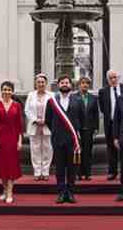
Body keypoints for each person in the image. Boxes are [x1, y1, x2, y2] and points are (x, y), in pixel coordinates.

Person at [45, 75, 84, 203]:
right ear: (58, 85)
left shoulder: (78, 100)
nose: (65, 84)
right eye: (62, 82)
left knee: (72, 168)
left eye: (67, 82)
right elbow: (48, 120)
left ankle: (71, 193)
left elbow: (82, 119)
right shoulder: (51, 101)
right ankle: (61, 192)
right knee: (60, 168)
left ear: (71, 85)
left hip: (73, 140)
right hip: (58, 139)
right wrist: (57, 132)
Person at [0, 81, 23, 204]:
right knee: (2, 166)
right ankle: (4, 190)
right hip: (0, 137)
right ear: (1, 91)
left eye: (9, 90)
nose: (6, 92)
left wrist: (19, 141)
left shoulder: (17, 105)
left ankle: (10, 192)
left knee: (11, 166)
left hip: (13, 137)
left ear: (12, 91)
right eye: (4, 89)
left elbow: (19, 125)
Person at [98, 69, 123, 180]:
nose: (113, 80)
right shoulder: (103, 92)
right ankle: (112, 172)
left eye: (115, 77)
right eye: (110, 78)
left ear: (118, 78)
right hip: (110, 124)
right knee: (111, 148)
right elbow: (102, 108)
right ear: (107, 80)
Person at [24, 73, 52, 181]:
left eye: (43, 82)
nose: (41, 84)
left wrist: (46, 120)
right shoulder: (31, 95)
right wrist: (35, 119)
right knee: (35, 149)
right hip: (34, 125)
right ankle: (37, 172)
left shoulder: (51, 95)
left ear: (46, 83)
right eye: (38, 82)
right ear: (35, 84)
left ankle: (45, 172)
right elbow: (27, 110)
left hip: (47, 125)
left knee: (47, 149)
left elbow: (53, 110)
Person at [76, 76, 99, 181]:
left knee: (88, 152)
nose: (84, 85)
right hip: (77, 129)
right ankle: (78, 173)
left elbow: (96, 115)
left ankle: (88, 173)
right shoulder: (74, 97)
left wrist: (96, 129)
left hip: (89, 129)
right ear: (79, 85)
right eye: (82, 83)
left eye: (87, 83)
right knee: (78, 151)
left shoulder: (93, 98)